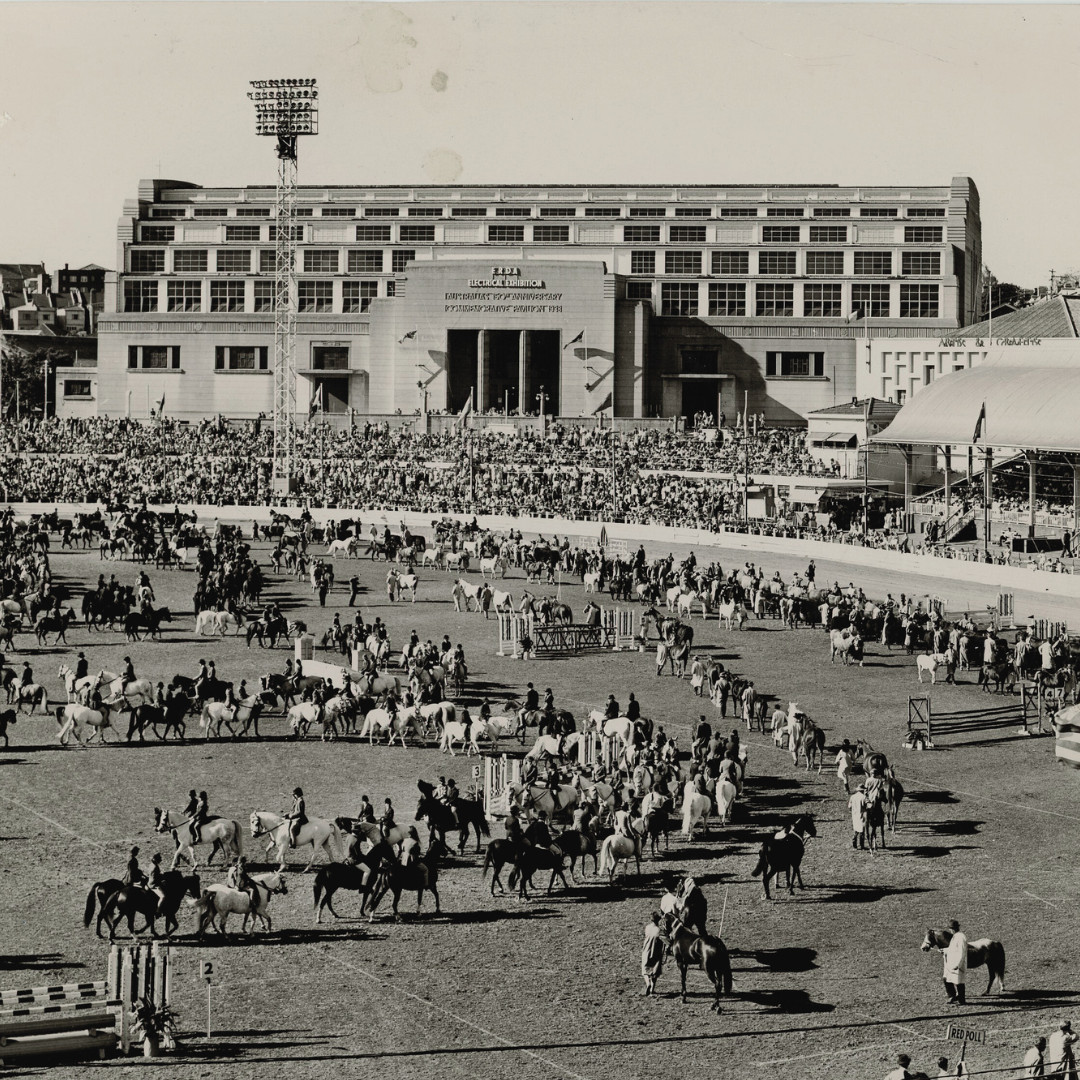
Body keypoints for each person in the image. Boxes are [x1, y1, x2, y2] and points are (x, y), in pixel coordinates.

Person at [942, 919, 968, 1005]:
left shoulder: (961, 937)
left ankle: (961, 1000)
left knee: (959, 981)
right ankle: (952, 996)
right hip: (951, 963)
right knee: (946, 978)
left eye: (950, 928)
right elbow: (953, 949)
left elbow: (961, 952)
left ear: (952, 929)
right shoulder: (955, 936)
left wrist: (958, 964)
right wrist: (944, 950)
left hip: (957, 963)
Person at [641, 911, 665, 996]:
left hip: (647, 950)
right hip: (656, 952)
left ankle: (648, 983)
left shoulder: (647, 928)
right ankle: (652, 989)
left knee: (645, 970)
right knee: (655, 972)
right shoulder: (660, 930)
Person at [848, 783, 867, 849]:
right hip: (862, 815)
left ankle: (854, 842)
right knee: (862, 830)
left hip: (854, 815)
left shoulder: (852, 797)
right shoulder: (864, 797)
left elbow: (849, 807)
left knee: (855, 829)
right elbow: (869, 806)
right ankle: (861, 845)